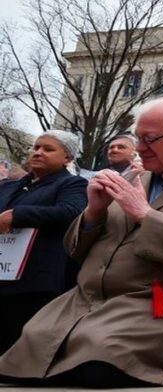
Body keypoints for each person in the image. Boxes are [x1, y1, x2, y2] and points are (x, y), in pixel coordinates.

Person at [0, 97, 163, 387]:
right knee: (29, 351)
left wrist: (144, 214)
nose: (140, 148)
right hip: (89, 299)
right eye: (138, 138)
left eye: (150, 139)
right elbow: (74, 250)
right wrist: (95, 211)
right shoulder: (133, 176)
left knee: (99, 359)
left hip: (158, 301)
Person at [0, 131, 87, 353]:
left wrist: (17, 215)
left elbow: (71, 211)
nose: (38, 152)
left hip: (35, 279)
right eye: (36, 147)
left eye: (48, 149)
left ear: (67, 158)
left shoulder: (72, 184)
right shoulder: (10, 186)